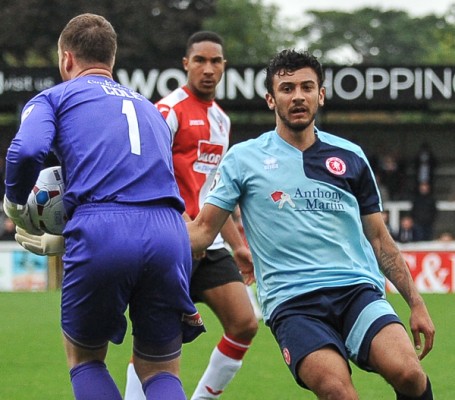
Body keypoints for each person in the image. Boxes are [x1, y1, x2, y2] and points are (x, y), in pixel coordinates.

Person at [187, 49, 435, 399]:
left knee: (409, 373)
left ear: (320, 94)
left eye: (307, 87)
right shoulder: (243, 159)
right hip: (293, 303)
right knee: (338, 391)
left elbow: (379, 238)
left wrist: (416, 303)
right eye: (287, 88)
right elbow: (201, 232)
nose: (298, 96)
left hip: (356, 292)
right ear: (271, 99)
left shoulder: (350, 156)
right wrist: (143, 236)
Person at [5, 14, 204, 400]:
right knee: (160, 369)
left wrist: (14, 203)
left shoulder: (55, 97)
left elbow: (27, 150)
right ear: (111, 60)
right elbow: (135, 193)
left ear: (66, 59)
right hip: (169, 233)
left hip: (103, 231)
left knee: (86, 359)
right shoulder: (150, 109)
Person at [124, 31, 258, 400]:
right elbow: (147, 174)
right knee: (158, 344)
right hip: (172, 242)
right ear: (186, 64)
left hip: (210, 244)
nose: (208, 68)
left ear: (224, 66)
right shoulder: (167, 111)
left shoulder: (221, 121)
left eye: (216, 61)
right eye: (200, 60)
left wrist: (238, 244)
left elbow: (217, 193)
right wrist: (183, 226)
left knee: (244, 323)